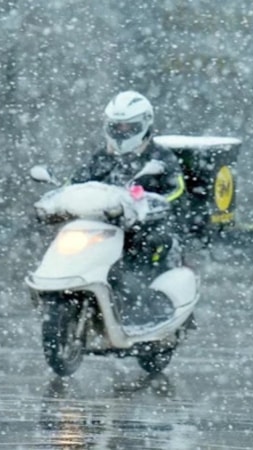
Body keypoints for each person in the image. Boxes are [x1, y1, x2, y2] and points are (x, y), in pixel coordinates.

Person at [70, 90, 186, 325]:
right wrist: (61, 197)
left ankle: (151, 308)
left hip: (146, 226)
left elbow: (176, 189)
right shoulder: (101, 157)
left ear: (144, 124)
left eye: (128, 127)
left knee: (148, 247)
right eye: (116, 127)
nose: (122, 132)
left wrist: (151, 205)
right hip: (103, 227)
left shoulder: (159, 158)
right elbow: (76, 184)